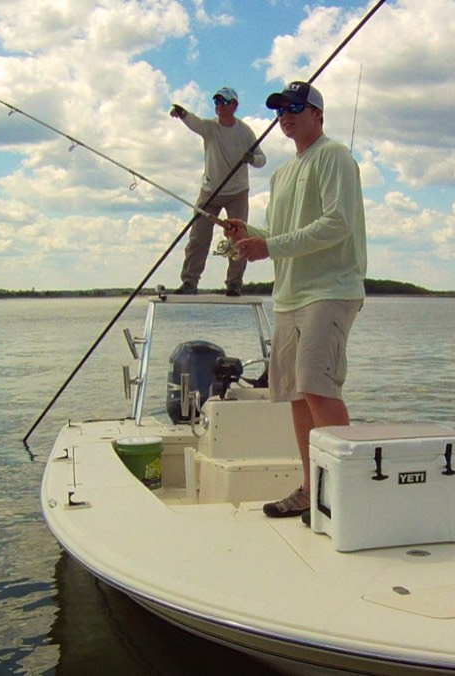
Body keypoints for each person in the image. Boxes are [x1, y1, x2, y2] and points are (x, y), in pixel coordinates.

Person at [222, 81, 366, 520]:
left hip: (330, 290)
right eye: (280, 108)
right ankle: (310, 487)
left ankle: (352, 492)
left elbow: (337, 223)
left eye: (296, 107)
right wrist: (250, 236)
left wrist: (271, 246)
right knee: (297, 396)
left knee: (317, 385)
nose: (286, 114)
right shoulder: (282, 174)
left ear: (318, 115)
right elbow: (278, 236)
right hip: (287, 296)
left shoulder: (334, 156)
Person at [169, 86, 266, 297]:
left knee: (239, 239)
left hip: (237, 192)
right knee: (198, 237)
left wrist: (251, 159)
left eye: (224, 102)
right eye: (217, 102)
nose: (219, 106)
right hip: (210, 191)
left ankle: (234, 284)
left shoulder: (244, 131)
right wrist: (182, 113)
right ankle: (189, 282)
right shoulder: (210, 128)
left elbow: (262, 159)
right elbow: (195, 122)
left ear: (235, 105)